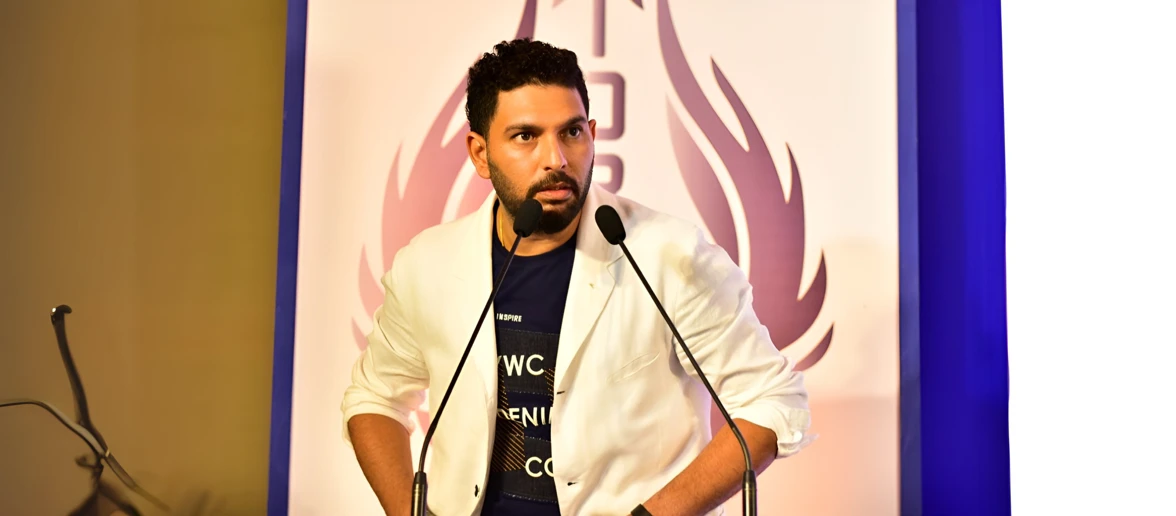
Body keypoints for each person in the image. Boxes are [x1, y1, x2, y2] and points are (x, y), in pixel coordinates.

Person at [341, 38, 811, 516]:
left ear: (592, 134)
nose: (556, 159)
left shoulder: (671, 256)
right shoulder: (427, 265)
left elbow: (772, 403)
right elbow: (375, 399)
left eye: (571, 132)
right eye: (525, 136)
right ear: (480, 154)